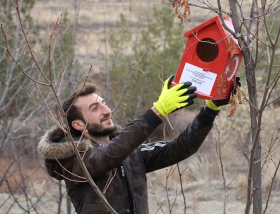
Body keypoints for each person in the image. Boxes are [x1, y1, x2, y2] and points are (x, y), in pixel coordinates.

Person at [38, 75, 240, 214]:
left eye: (104, 102)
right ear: (78, 124)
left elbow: (182, 147)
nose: (107, 110)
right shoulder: (72, 161)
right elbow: (109, 156)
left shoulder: (129, 152)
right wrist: (158, 110)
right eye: (95, 108)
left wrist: (210, 109)